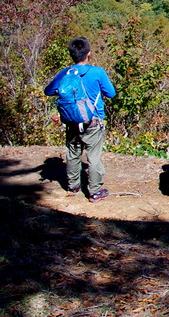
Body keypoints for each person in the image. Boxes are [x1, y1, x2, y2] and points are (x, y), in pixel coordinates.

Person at [44, 37, 117, 202]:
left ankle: (73, 186)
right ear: (88, 54)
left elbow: (48, 91)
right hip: (94, 120)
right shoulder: (98, 72)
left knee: (73, 153)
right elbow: (111, 93)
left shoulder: (65, 73)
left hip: (71, 120)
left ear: (72, 55)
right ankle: (95, 191)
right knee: (93, 156)